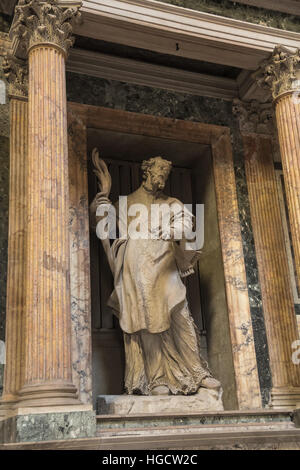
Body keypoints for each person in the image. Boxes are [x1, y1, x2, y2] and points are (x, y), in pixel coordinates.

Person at [90, 150, 221, 396]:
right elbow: (98, 224)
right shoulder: (125, 204)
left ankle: (197, 371)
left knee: (180, 315)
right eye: (160, 171)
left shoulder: (171, 203)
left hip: (164, 268)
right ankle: (156, 378)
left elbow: (187, 222)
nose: (163, 177)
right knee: (144, 322)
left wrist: (174, 230)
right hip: (135, 269)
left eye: (167, 173)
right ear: (147, 171)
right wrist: (100, 201)